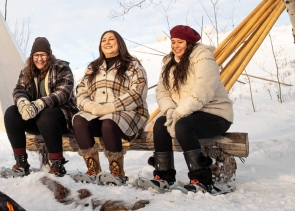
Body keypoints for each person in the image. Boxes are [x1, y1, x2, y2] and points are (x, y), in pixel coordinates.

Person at [143, 25, 234, 193]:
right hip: (185, 113)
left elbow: (203, 89)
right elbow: (162, 91)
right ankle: (164, 176)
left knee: (184, 126)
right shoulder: (169, 63)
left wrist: (179, 113)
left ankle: (201, 180)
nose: (176, 46)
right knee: (160, 123)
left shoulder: (203, 57)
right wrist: (170, 110)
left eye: (180, 42)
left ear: (190, 43)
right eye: (173, 42)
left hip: (215, 113)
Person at [73, 30, 149, 185]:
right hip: (97, 113)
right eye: (103, 40)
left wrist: (110, 107)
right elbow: (81, 91)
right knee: (79, 120)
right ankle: (93, 170)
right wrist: (90, 106)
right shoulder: (93, 67)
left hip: (128, 112)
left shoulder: (133, 65)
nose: (107, 42)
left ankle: (117, 173)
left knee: (109, 122)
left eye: (111, 39)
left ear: (119, 42)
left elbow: (137, 93)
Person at [4, 37, 78, 177]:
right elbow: (19, 89)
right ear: (32, 57)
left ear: (49, 55)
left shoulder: (61, 68)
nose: (40, 59)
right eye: (36, 55)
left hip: (61, 118)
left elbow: (63, 93)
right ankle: (21, 164)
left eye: (43, 55)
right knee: (11, 112)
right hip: (36, 119)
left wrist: (39, 104)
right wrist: (23, 103)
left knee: (46, 115)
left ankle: (57, 164)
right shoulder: (27, 72)